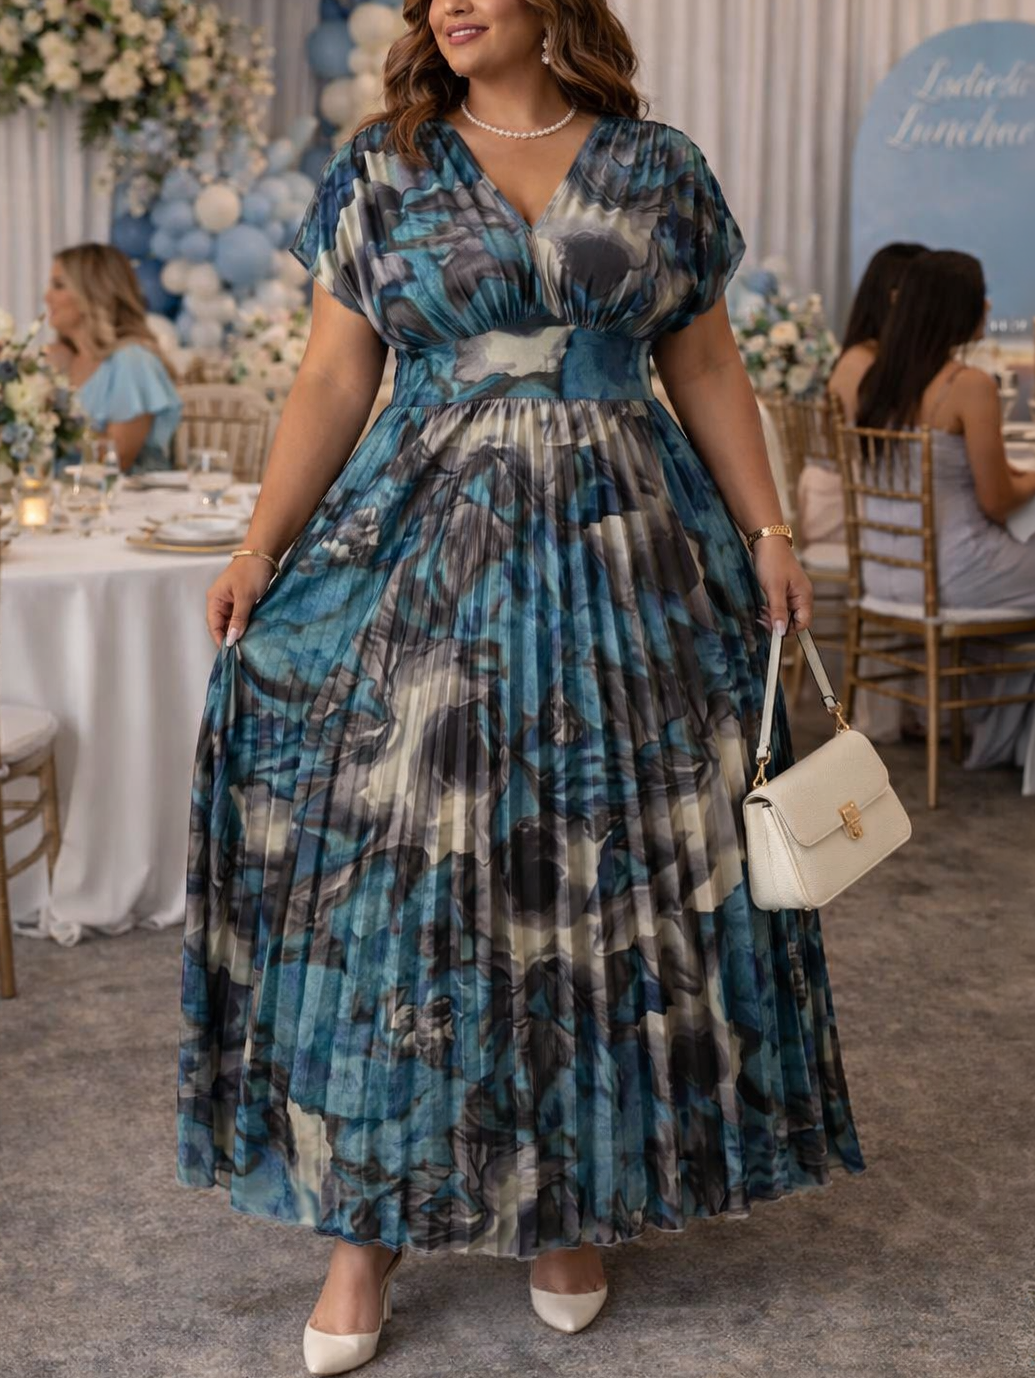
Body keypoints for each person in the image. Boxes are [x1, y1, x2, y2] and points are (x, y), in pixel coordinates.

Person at [176, 2, 864, 1373]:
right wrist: (260, 543)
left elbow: (705, 361)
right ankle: (361, 1230)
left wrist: (768, 529)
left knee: (602, 879)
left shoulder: (655, 163)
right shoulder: (384, 165)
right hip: (422, 560)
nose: (446, 0)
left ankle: (572, 1197)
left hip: (627, 564)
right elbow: (331, 373)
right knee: (402, 875)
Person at [852, 250, 1035, 789]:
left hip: (891, 574)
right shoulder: (968, 384)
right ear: (961, 310)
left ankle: (1000, 731)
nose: (988, 305)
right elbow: (998, 500)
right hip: (953, 574)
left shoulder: (878, 382)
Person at [798, 242, 928, 546]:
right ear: (897, 298)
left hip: (856, 498)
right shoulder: (864, 363)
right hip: (845, 510)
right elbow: (896, 450)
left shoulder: (868, 355)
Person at [44, 244, 182, 474]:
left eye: (58, 286)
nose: (47, 297)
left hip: (127, 503)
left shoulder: (132, 361)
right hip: (66, 502)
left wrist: (45, 417)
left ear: (92, 292)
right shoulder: (59, 362)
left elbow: (118, 459)